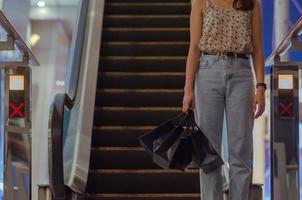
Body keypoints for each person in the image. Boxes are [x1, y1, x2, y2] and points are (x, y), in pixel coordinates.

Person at [182, 0, 266, 199]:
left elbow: (257, 49)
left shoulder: (252, 3)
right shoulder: (201, 2)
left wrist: (261, 87)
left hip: (242, 73)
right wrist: (188, 89)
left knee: (241, 151)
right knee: (208, 152)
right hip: (208, 71)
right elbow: (194, 47)